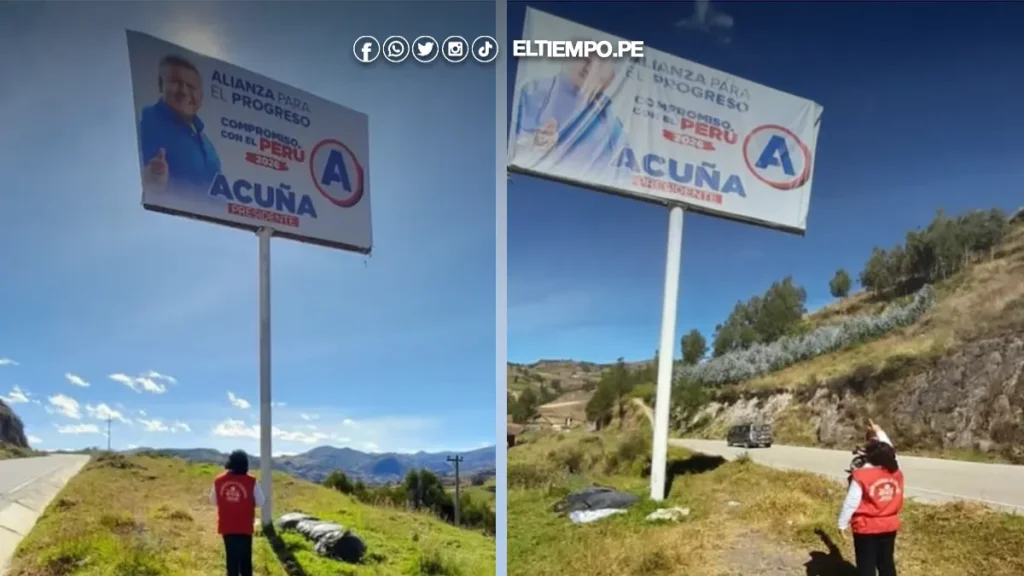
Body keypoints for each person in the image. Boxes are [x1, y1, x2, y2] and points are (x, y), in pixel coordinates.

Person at [511, 43, 628, 176]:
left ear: (611, 78)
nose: (590, 67)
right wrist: (532, 145)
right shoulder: (530, 95)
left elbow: (622, 176)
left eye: (601, 62)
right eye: (585, 56)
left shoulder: (613, 129)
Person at [138, 54, 222, 197]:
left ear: (200, 96)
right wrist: (153, 185)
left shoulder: (205, 141)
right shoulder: (146, 119)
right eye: (176, 82)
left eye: (191, 87)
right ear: (161, 85)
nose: (183, 91)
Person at [838, 420, 903, 576]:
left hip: (866, 527)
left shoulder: (861, 475)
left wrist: (842, 524)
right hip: (889, 525)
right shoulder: (895, 473)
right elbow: (889, 451)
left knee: (866, 565)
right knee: (886, 563)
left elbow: (851, 503)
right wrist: (879, 431)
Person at [210, 450, 265, 576]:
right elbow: (260, 501)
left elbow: (213, 500)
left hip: (227, 526)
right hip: (245, 526)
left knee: (231, 559)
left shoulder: (219, 480)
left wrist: (228, 503)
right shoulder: (251, 481)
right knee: (245, 560)